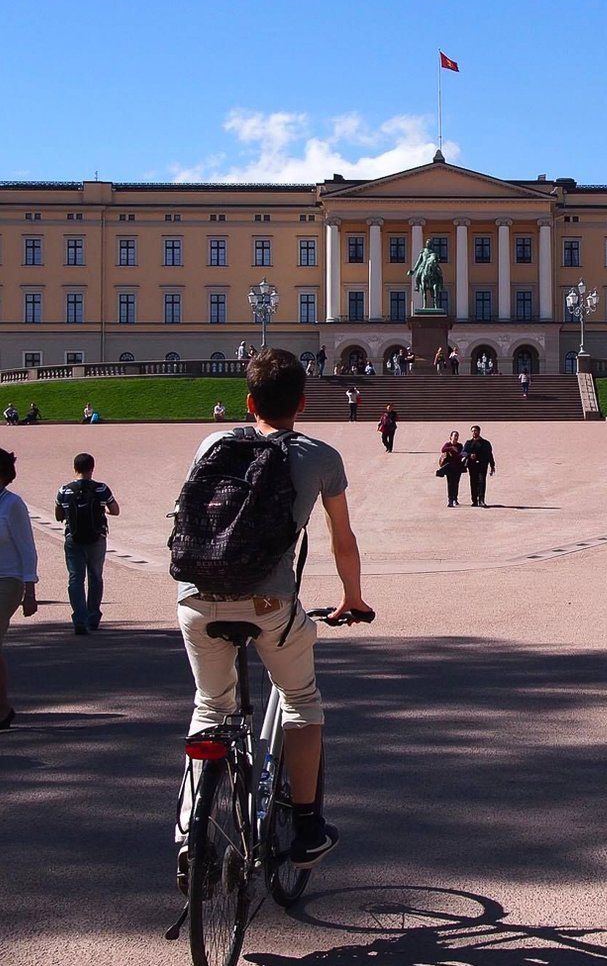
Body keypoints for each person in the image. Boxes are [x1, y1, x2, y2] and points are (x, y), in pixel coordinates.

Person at [174, 348, 370, 876]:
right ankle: (306, 829)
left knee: (211, 707)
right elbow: (343, 539)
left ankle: (191, 836)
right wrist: (352, 597)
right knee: (301, 701)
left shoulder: (213, 443)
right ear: (302, 403)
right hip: (268, 603)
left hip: (196, 596)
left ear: (248, 402)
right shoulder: (320, 457)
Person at [54, 453, 120, 634]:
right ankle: (93, 617)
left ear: (75, 468)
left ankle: (79, 619)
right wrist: (103, 510)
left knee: (75, 578)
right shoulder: (101, 489)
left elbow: (59, 516)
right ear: (92, 468)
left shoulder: (64, 490)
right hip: (96, 538)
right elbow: (115, 510)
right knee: (95, 576)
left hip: (73, 538)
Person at [0, 448, 40, 730]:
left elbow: (27, 548)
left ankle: (2, 709)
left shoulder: (12, 504)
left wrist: (30, 591)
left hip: (8, 580)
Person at [463, 425, 496, 507]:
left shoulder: (486, 443)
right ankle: (474, 500)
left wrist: (492, 466)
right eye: (472, 431)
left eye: (475, 431)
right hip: (472, 466)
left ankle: (481, 500)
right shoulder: (468, 443)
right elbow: (463, 453)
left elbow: (490, 455)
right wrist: (470, 455)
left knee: (482, 482)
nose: (474, 432)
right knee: (473, 482)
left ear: (479, 431)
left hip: (482, 465)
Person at [439, 430, 465, 507]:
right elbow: (443, 449)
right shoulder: (448, 445)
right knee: (450, 484)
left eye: (457, 436)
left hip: (457, 467)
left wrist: (459, 455)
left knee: (456, 483)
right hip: (449, 467)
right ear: (450, 437)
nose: (456, 437)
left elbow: (462, 454)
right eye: (454, 436)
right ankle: (450, 500)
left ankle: (455, 499)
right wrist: (452, 448)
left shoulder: (460, 445)